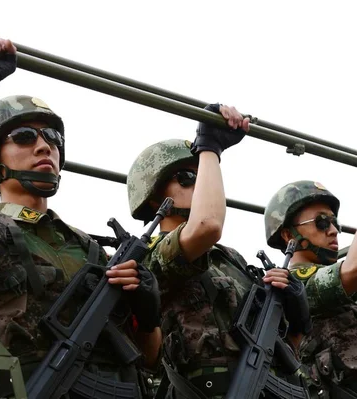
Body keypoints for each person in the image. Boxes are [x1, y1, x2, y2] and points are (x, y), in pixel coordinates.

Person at [0, 31, 162, 398]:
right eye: (24, 136)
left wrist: (148, 315)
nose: (45, 146)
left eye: (53, 139)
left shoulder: (89, 249)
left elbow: (150, 357)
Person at [126, 107, 311, 398]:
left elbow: (285, 351)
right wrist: (209, 148)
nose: (201, 184)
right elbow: (208, 224)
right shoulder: (150, 256)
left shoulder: (231, 259)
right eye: (187, 177)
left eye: (202, 176)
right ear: (152, 195)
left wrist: (297, 323)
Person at [264, 180, 357, 398]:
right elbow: (353, 271)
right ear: (288, 235)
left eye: (335, 223)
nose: (334, 231)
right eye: (322, 222)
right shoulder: (291, 284)